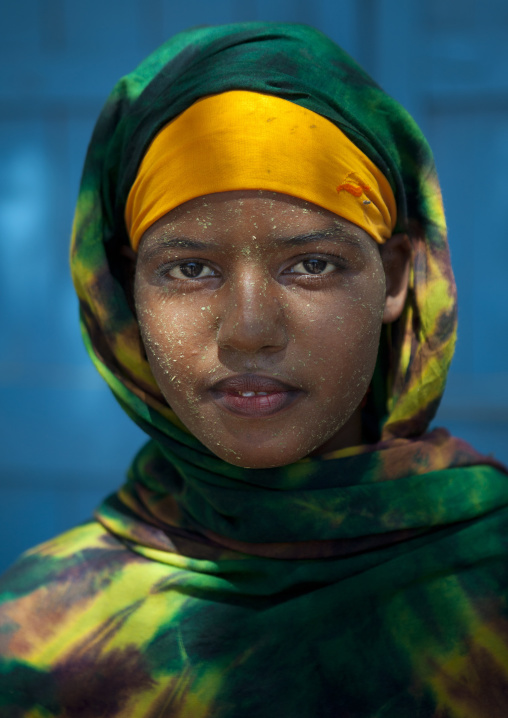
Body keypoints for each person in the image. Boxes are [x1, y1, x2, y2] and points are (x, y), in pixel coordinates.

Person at [1, 22, 508, 717]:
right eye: (189, 269)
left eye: (312, 264)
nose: (248, 331)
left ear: (393, 279)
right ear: (126, 297)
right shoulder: (34, 634)